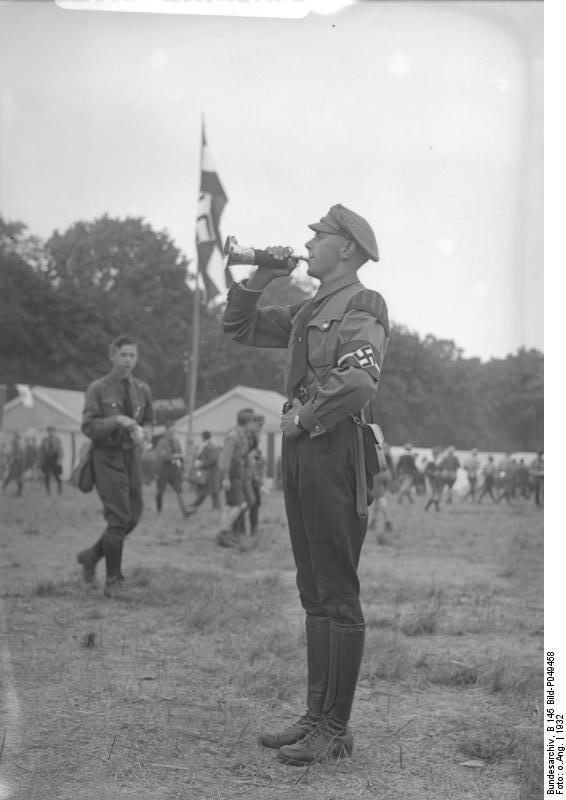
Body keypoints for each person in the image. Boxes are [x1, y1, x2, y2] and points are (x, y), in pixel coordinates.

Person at [223, 204, 389, 765]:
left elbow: (360, 379)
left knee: (337, 592)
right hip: (303, 450)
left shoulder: (362, 304)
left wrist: (309, 417)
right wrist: (261, 278)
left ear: (346, 248)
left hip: (334, 446)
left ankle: (335, 729)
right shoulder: (307, 310)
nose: (308, 242)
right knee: (313, 590)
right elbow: (239, 326)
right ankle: (316, 718)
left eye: (318, 236)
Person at [76, 335, 153, 596]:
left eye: (132, 355)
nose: (128, 360)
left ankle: (90, 555)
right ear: (112, 356)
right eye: (123, 355)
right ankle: (113, 582)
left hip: (132, 458)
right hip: (106, 458)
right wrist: (118, 420)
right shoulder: (98, 388)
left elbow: (149, 421)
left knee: (133, 516)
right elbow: (88, 427)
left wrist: (146, 436)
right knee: (119, 517)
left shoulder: (142, 389)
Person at [216, 408, 256, 549]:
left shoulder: (242, 434)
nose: (254, 424)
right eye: (252, 421)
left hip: (238, 472)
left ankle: (226, 531)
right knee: (240, 504)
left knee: (233, 504)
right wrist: (225, 477)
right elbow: (225, 457)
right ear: (247, 422)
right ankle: (223, 532)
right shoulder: (234, 435)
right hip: (232, 472)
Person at [154, 422, 192, 518]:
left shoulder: (176, 441)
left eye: (173, 430)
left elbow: (180, 454)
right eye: (171, 430)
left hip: (175, 468)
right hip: (164, 468)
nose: (173, 432)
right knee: (160, 491)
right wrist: (174, 456)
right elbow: (162, 456)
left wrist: (183, 467)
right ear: (166, 431)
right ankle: (159, 511)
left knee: (179, 489)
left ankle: (185, 511)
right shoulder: (162, 442)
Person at [190, 431, 222, 511]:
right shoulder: (206, 446)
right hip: (208, 471)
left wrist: (202, 464)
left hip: (212, 472)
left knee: (213, 491)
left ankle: (216, 506)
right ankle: (196, 504)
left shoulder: (209, 447)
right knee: (204, 490)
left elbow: (213, 459)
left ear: (204, 437)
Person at [368, 443, 394, 535]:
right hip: (387, 473)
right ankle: (373, 522)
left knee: (381, 499)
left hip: (377, 473)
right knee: (378, 500)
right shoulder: (385, 446)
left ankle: (388, 522)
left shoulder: (374, 446)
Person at [247, 414, 266, 537]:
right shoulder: (248, 437)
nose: (260, 428)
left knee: (255, 503)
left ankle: (254, 527)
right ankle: (241, 529)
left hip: (254, 475)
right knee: (248, 503)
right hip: (247, 475)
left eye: (262, 425)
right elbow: (248, 457)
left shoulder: (255, 438)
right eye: (259, 424)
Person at [39, 426, 64, 495]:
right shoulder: (44, 440)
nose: (51, 432)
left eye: (52, 431)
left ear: (54, 432)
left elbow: (60, 451)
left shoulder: (57, 440)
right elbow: (41, 451)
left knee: (57, 476)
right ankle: (48, 491)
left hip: (55, 459)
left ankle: (59, 489)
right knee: (47, 476)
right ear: (47, 432)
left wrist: (59, 460)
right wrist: (41, 460)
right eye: (49, 431)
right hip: (47, 459)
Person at [2, 432, 25, 497]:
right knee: (11, 475)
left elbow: (20, 455)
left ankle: (19, 491)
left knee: (19, 477)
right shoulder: (14, 445)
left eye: (16, 438)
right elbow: (11, 452)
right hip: (14, 464)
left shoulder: (20, 446)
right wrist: (8, 456)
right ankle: (4, 486)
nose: (15, 439)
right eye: (15, 437)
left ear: (18, 438)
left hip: (19, 464)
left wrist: (13, 457)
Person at [424, 447, 443, 512]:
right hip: (432, 480)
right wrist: (433, 473)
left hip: (438, 480)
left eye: (437, 454)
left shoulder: (440, 462)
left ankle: (430, 507)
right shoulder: (430, 462)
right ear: (433, 454)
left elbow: (442, 470)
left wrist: (440, 473)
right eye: (435, 454)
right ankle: (434, 507)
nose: (436, 455)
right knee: (434, 492)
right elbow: (426, 471)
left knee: (436, 493)